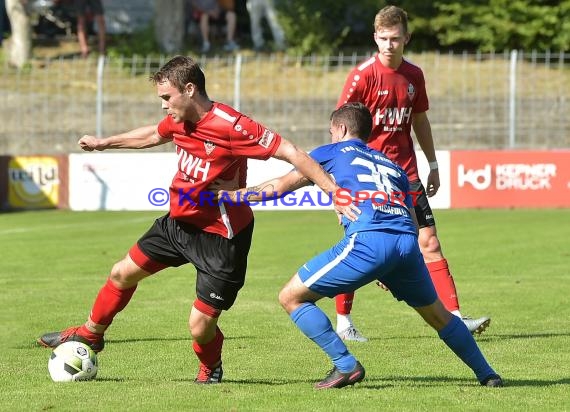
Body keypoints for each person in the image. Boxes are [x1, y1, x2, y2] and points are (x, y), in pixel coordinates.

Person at [36, 55, 357, 384]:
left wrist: (332, 189)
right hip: (178, 224)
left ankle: (211, 368)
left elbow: (290, 151)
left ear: (189, 89)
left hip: (221, 237)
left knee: (199, 326)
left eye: (166, 97)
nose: (163, 106)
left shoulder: (233, 126)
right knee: (121, 273)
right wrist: (105, 143)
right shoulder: (179, 119)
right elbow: (152, 135)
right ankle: (91, 335)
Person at [220, 102, 503, 389]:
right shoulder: (393, 167)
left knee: (291, 297)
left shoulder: (330, 152)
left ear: (341, 129)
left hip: (369, 241)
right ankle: (488, 374)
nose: (330, 137)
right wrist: (391, 267)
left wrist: (226, 197)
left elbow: (279, 187)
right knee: (439, 316)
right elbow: (410, 220)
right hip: (406, 245)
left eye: (331, 131)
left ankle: (346, 365)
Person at [334, 5, 490, 341]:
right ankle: (343, 321)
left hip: (406, 174)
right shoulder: (362, 76)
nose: (389, 45)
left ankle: (456, 318)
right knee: (360, 243)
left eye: (395, 38)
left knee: (430, 241)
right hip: (368, 176)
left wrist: (432, 164)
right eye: (383, 38)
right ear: (375, 38)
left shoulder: (414, 75)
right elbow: (340, 125)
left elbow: (419, 120)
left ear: (407, 37)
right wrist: (339, 179)